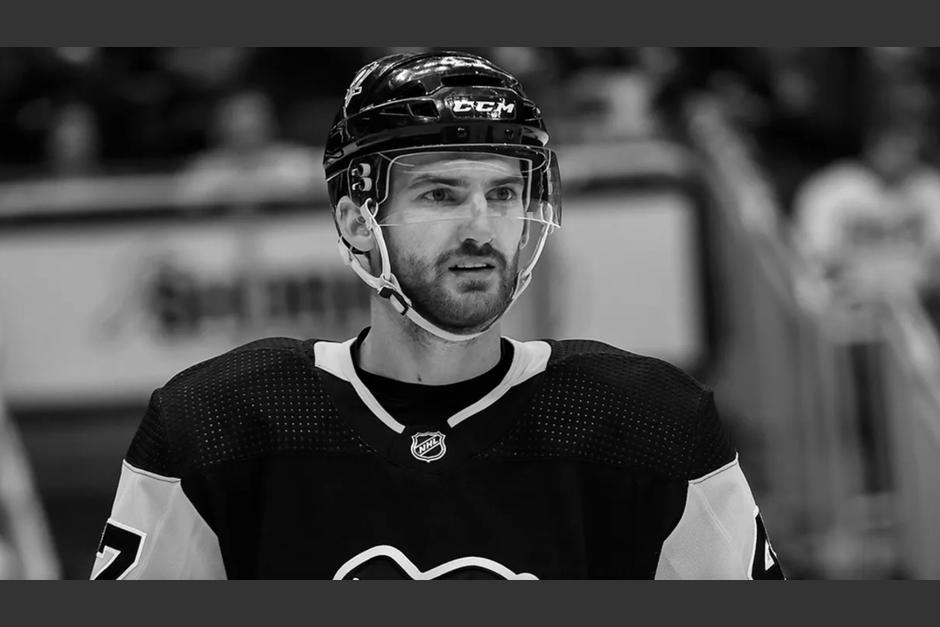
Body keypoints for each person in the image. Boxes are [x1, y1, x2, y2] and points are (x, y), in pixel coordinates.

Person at [91, 50, 784, 580]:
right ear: (358, 222)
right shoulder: (214, 423)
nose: (482, 227)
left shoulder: (652, 422)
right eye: (441, 195)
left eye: (503, 193)